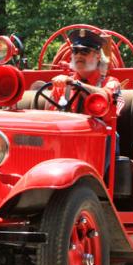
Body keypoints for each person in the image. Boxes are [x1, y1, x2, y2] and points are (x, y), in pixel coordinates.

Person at [51, 29, 124, 172]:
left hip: (95, 147)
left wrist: (76, 84)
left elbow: (106, 98)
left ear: (97, 56)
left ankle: (94, 179)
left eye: (84, 52)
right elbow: (52, 118)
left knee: (110, 135)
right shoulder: (62, 85)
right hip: (66, 145)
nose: (78, 55)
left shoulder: (111, 83)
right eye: (75, 51)